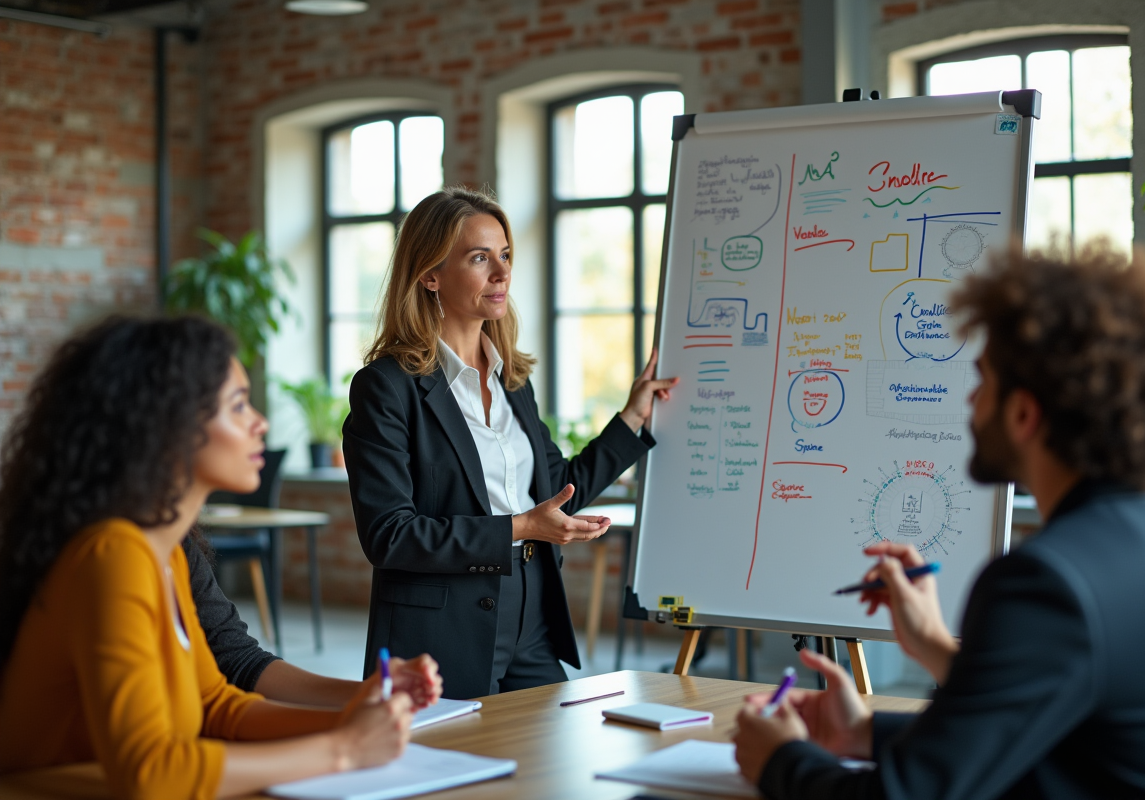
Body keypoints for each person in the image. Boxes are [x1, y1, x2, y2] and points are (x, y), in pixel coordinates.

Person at [732, 245, 1145, 799]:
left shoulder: (1047, 582)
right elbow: (1067, 734)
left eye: (982, 381)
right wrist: (867, 724)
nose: (971, 400)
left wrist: (780, 760)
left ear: (1024, 413)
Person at [0, 316, 436, 798]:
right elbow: (149, 774)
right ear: (167, 429)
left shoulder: (164, 555)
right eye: (238, 405)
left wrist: (352, 718)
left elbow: (217, 706)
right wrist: (344, 748)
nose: (261, 423)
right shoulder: (113, 555)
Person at [343, 186, 678, 698]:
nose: (502, 273)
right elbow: (390, 535)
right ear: (430, 275)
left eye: (504, 255)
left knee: (548, 764)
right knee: (459, 773)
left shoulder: (512, 381)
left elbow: (558, 488)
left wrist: (632, 417)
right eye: (480, 258)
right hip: (441, 630)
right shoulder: (386, 387)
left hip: (532, 610)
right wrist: (522, 526)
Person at [185, 525, 441, 707]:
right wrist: (342, 748)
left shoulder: (181, 550)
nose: (259, 444)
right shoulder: (152, 555)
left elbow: (237, 661)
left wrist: (363, 693)